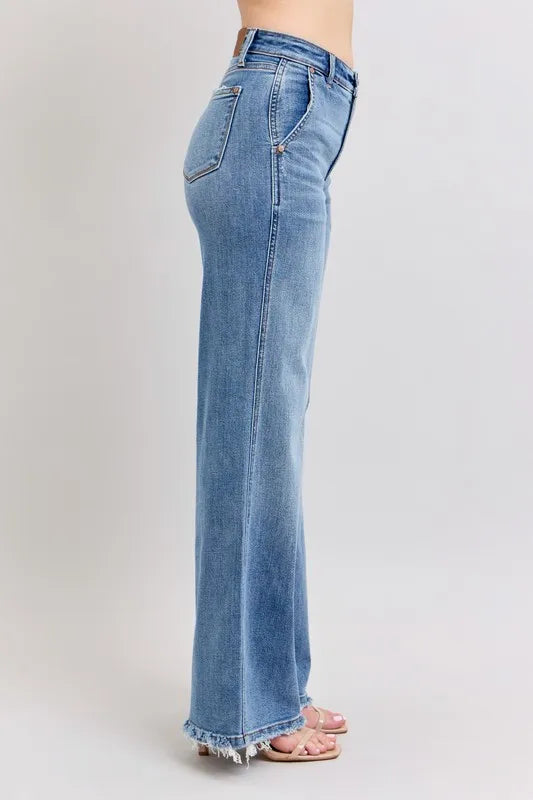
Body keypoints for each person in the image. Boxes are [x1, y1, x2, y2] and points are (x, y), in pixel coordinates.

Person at [181, 1, 358, 765]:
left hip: (283, 103)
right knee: (254, 432)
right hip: (279, 103)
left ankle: (272, 683)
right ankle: (242, 706)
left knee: (265, 426)